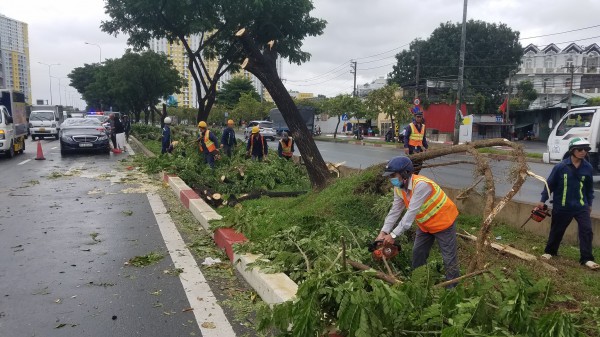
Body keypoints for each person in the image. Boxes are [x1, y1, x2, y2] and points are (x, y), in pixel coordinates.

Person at [376, 156, 460, 283]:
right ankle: (418, 283)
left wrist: (393, 235)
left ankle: (453, 289)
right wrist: (384, 232)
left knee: (449, 258)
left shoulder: (421, 185)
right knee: (418, 254)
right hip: (425, 226)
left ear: (405, 173)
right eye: (390, 176)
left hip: (444, 223)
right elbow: (395, 211)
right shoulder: (398, 188)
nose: (391, 179)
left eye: (393, 175)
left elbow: (410, 213)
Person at [538, 137, 599, 270]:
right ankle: (550, 252)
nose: (584, 152)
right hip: (562, 206)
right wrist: (542, 201)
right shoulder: (561, 167)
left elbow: (589, 189)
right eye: (580, 149)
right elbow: (550, 185)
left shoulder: (588, 167)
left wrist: (589, 205)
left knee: (587, 230)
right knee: (557, 230)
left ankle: (586, 258)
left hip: (581, 206)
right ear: (572, 151)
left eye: (586, 149)